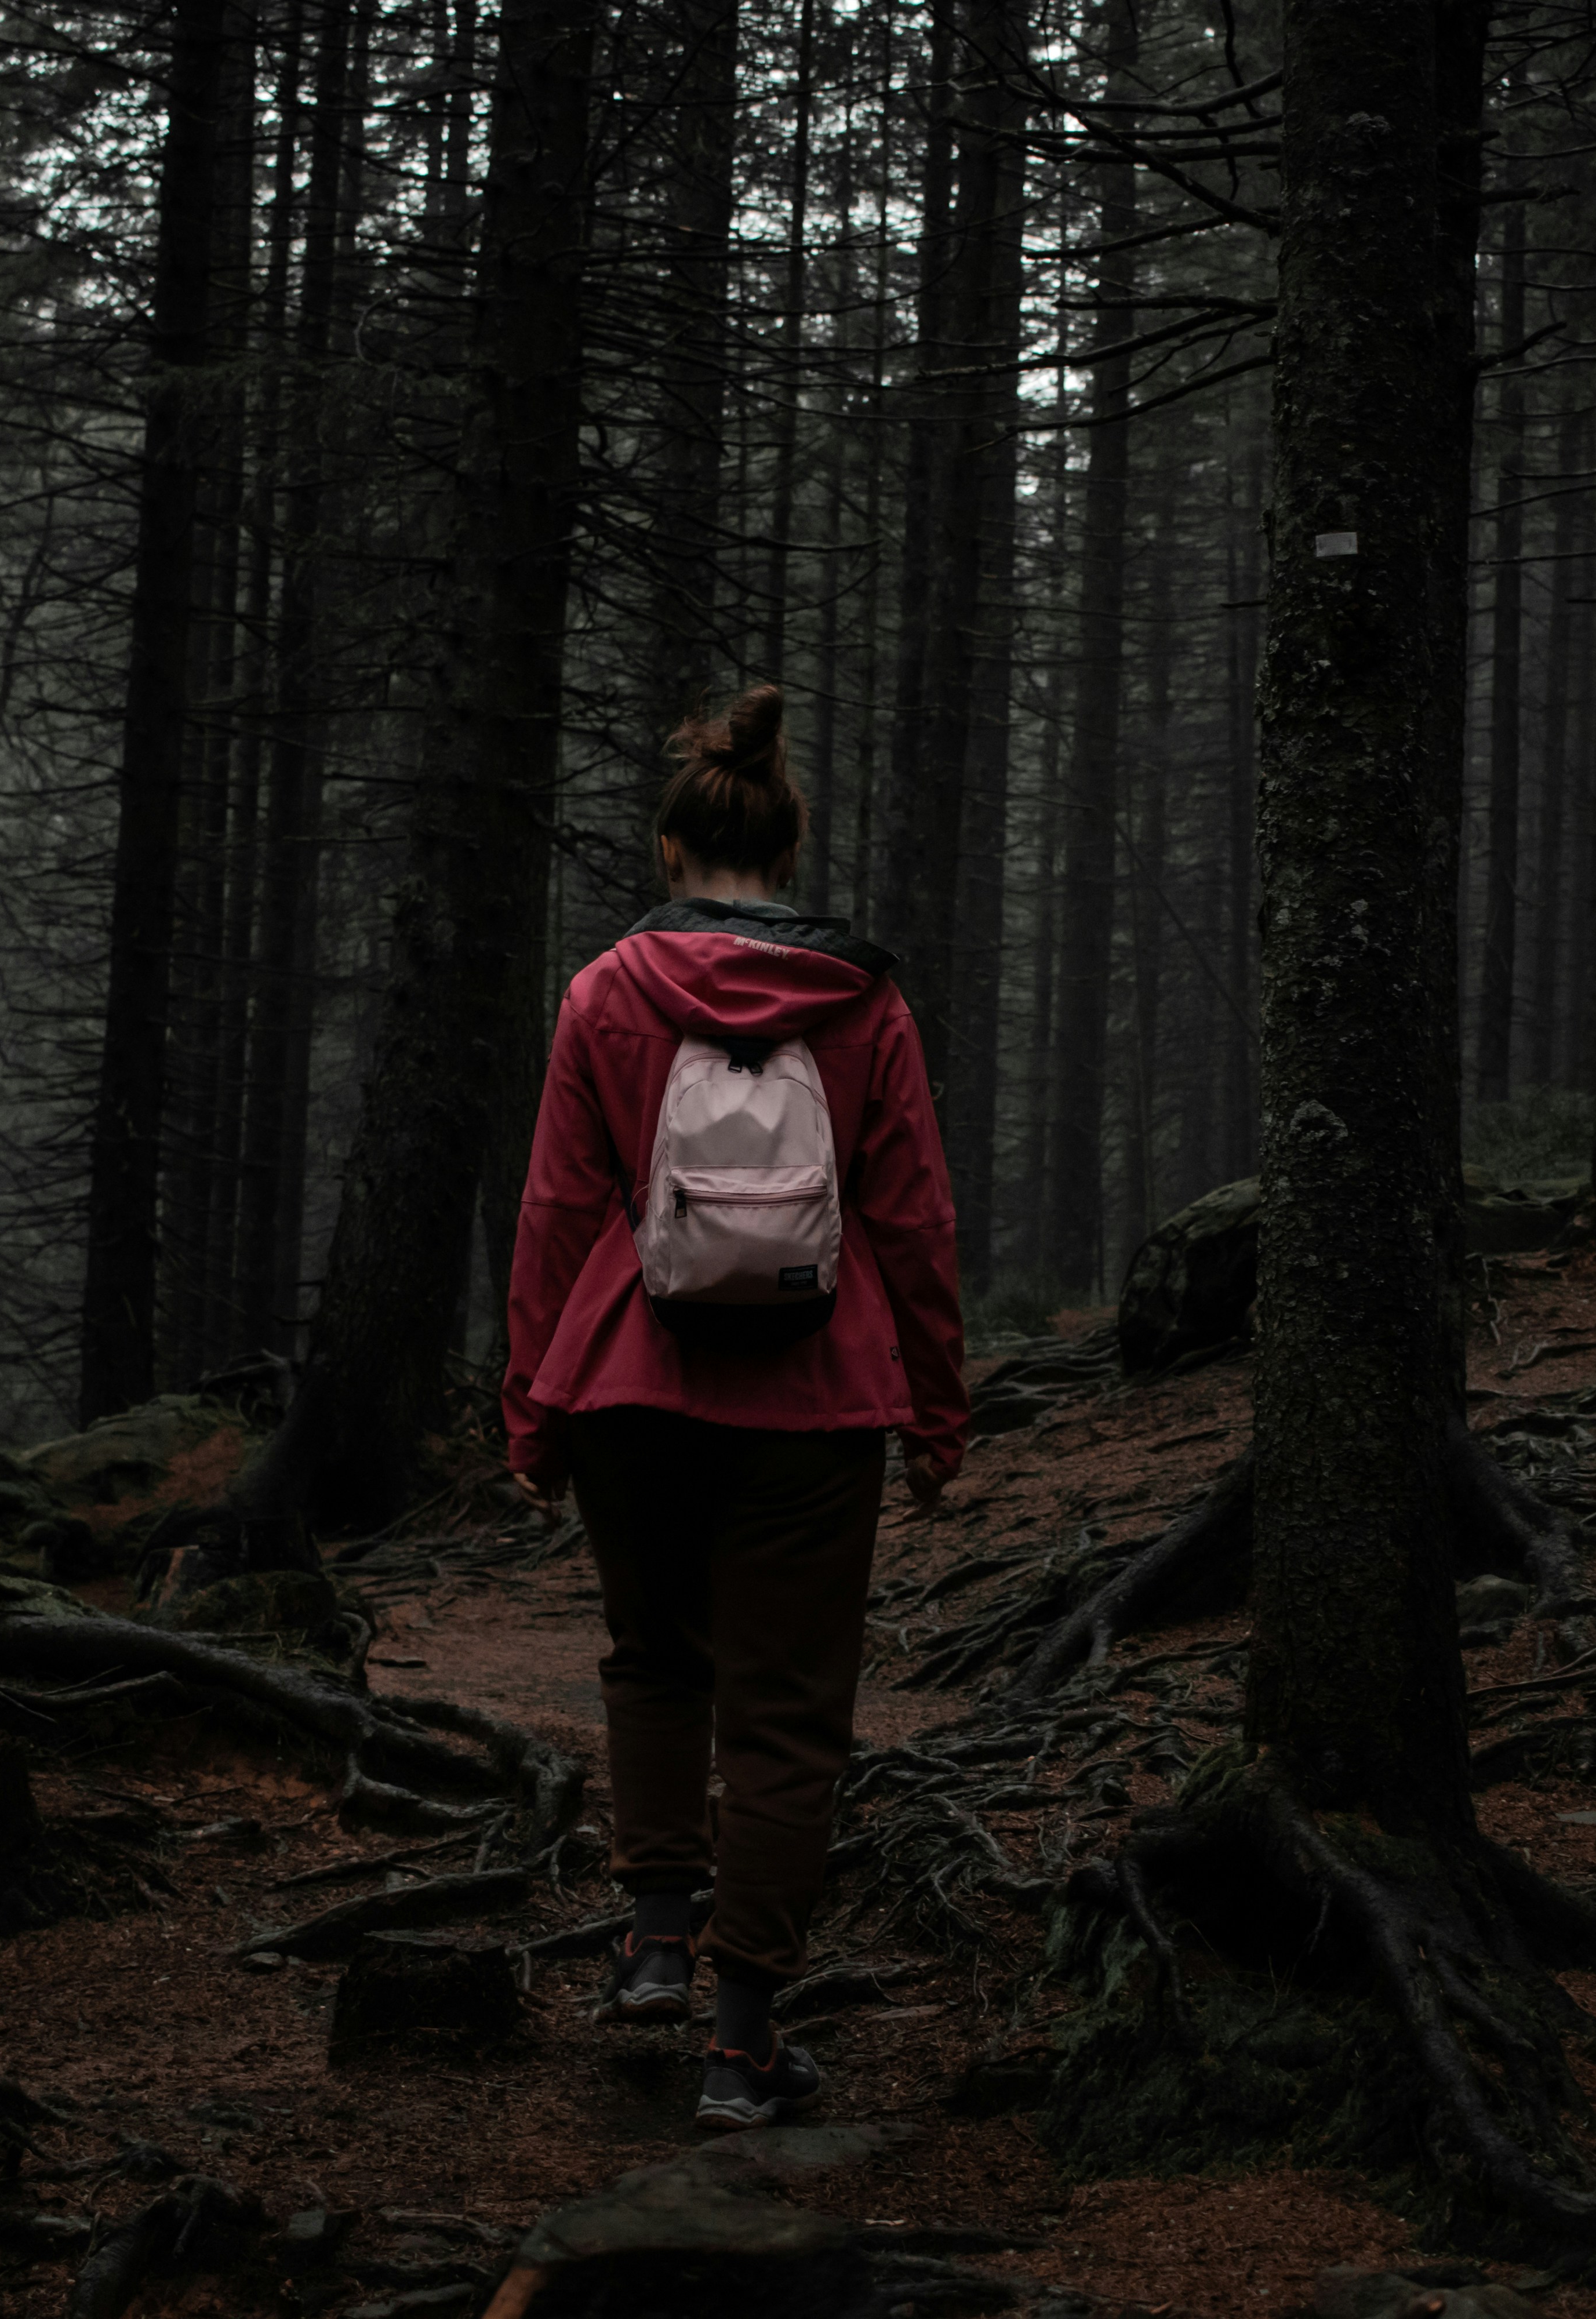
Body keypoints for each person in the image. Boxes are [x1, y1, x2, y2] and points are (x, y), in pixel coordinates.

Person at [503, 682, 968, 2131]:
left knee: (654, 1658)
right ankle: (744, 2041)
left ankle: (652, 1942)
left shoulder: (604, 993)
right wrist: (937, 1412)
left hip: (630, 1383)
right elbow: (912, 1218)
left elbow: (559, 1214)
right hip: (818, 1402)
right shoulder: (865, 1000)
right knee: (784, 1715)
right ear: (786, 844)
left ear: (670, 844)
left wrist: (532, 1410)